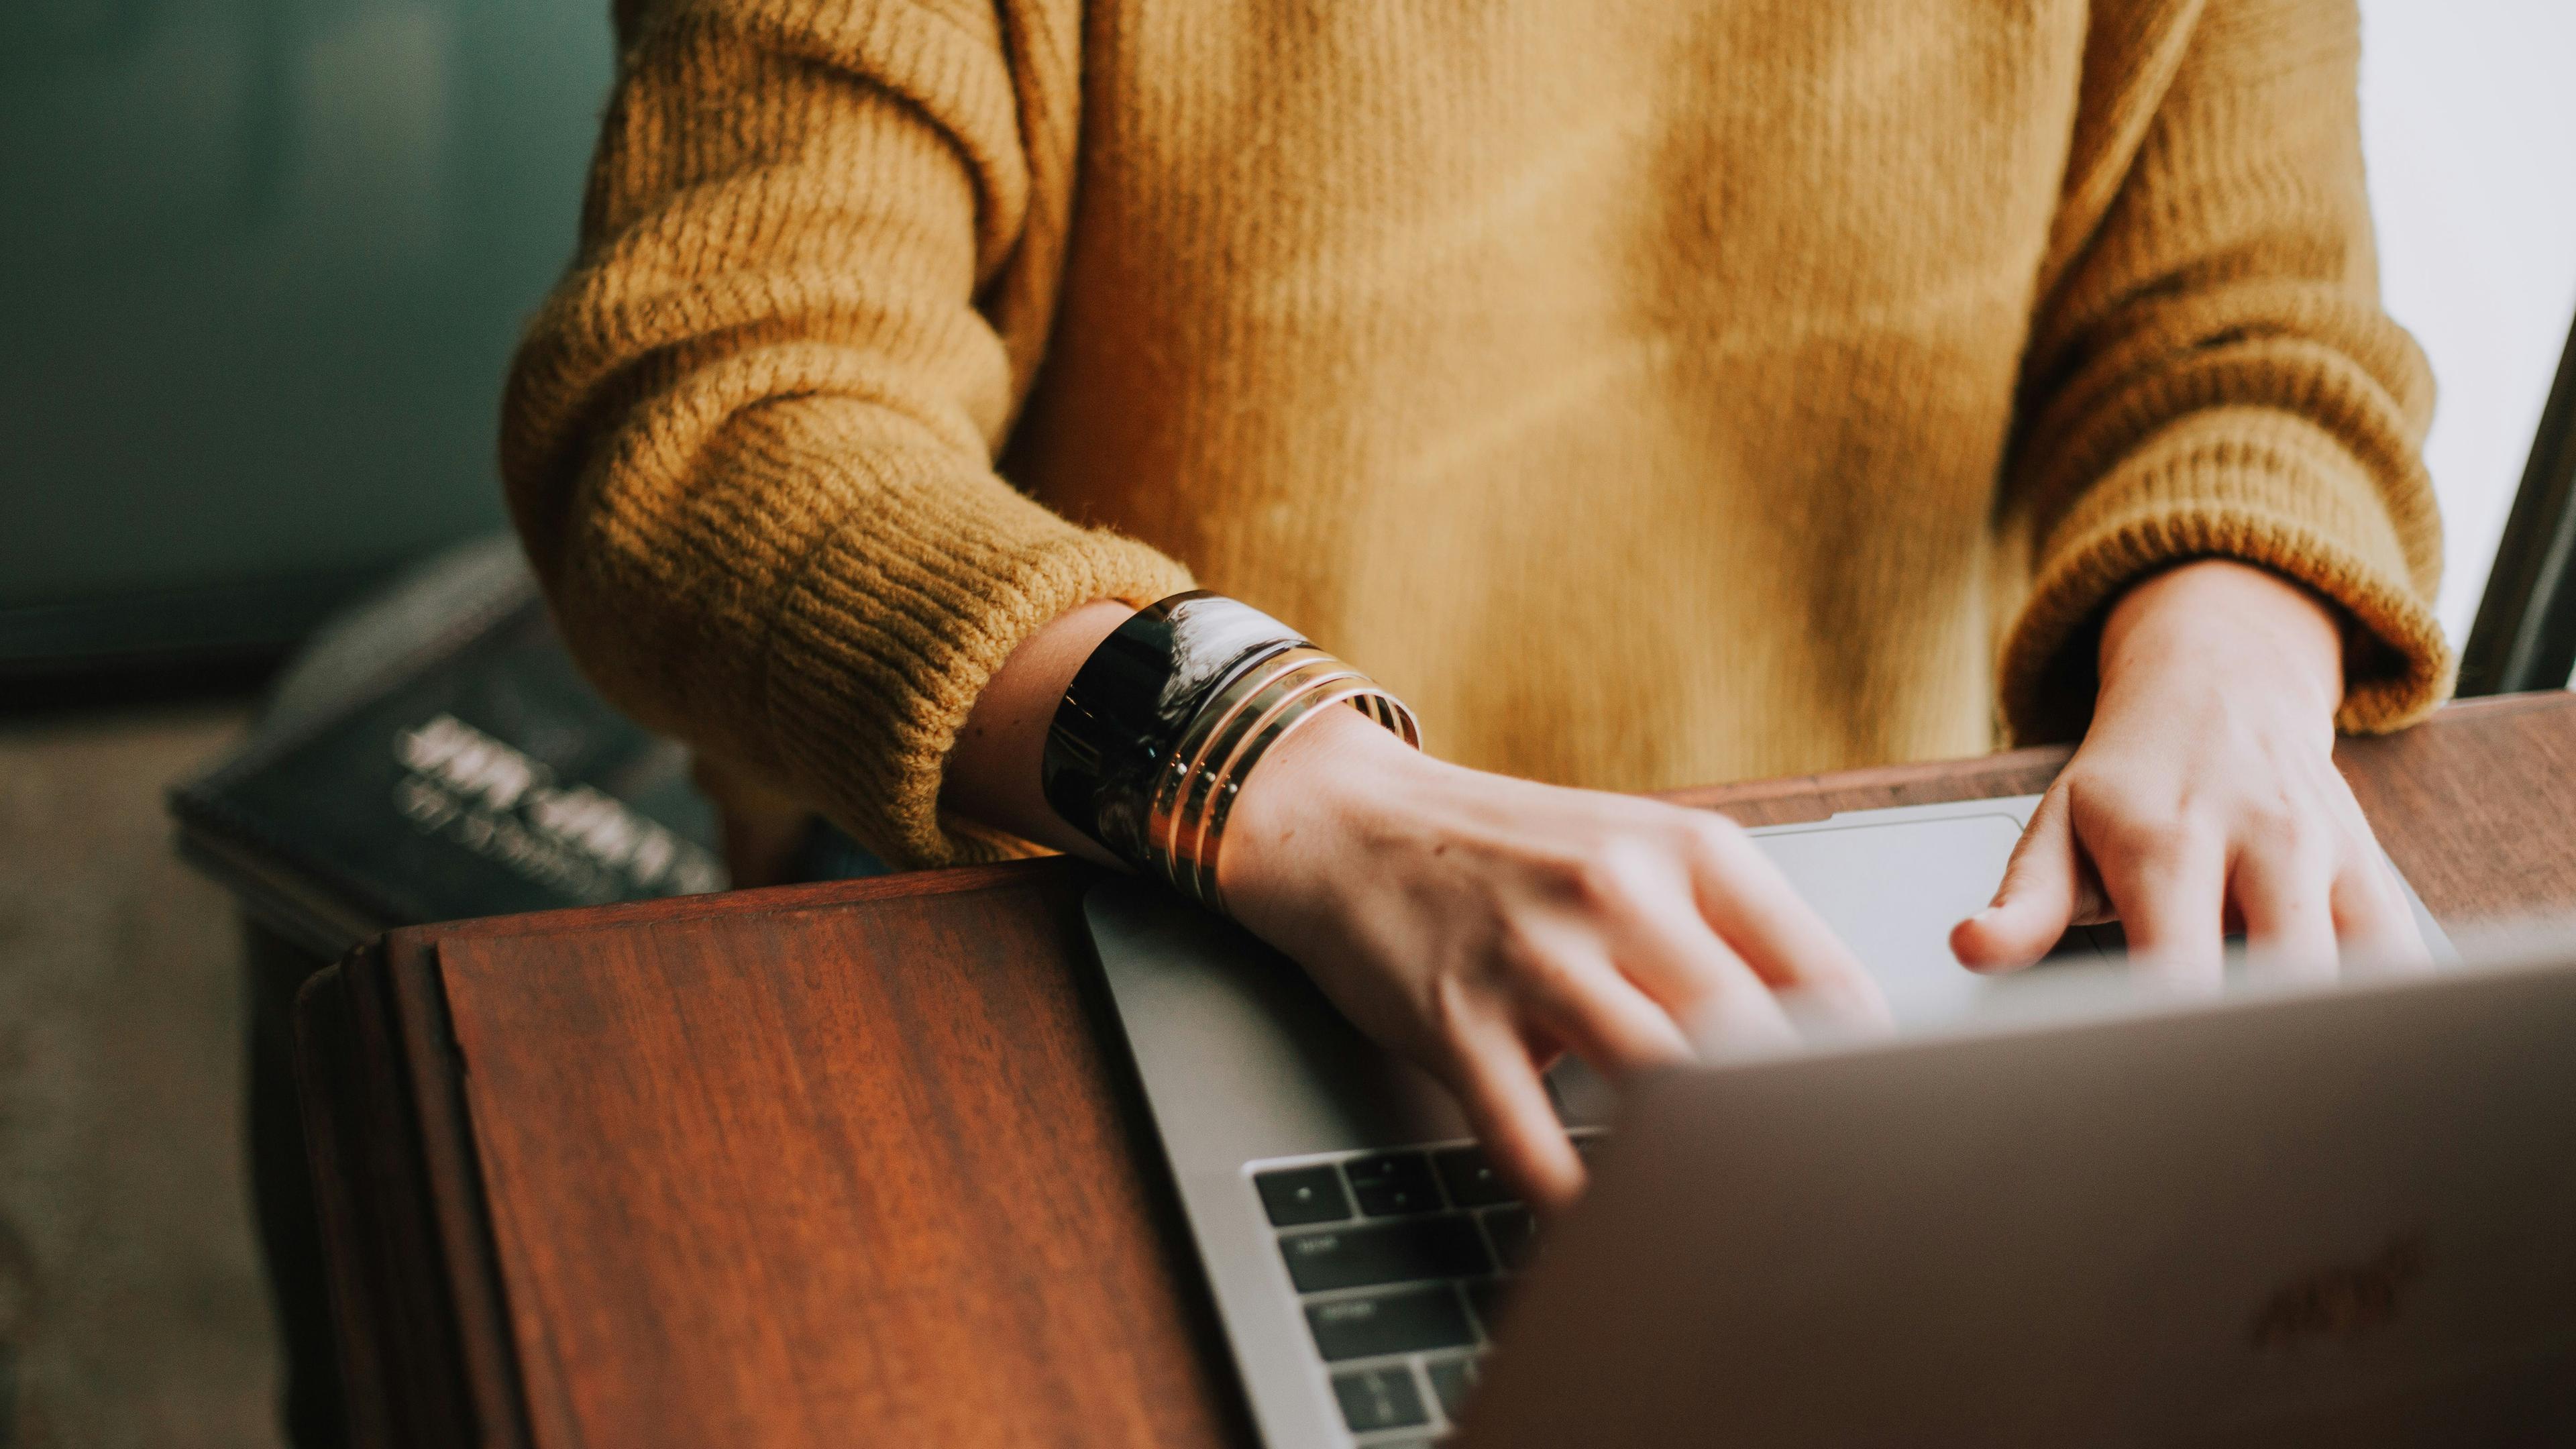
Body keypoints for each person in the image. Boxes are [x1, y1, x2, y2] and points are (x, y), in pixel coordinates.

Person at [500, 0, 2448, 1211]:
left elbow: (2250, 332)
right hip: (1128, 913)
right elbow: (713, 415)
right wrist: (1284, 777)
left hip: (1870, 964)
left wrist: (2235, 652)